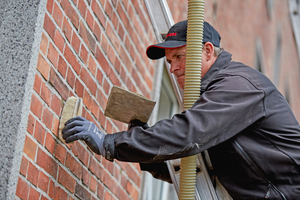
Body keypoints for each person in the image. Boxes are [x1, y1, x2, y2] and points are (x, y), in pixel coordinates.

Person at [62, 20, 300, 199]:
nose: (173, 68)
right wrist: (148, 153)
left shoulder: (237, 84)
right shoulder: (214, 95)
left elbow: (189, 132)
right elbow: (200, 169)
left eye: (179, 56)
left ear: (207, 51)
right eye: (169, 61)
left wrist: (109, 143)